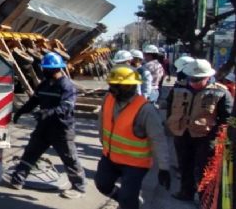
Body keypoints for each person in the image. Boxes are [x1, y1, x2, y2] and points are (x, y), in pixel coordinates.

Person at [8, 52, 86, 199]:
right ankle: (17, 179)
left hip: (61, 129)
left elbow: (66, 107)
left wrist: (47, 113)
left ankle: (78, 187)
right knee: (31, 152)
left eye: (46, 69)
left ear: (55, 69)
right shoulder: (44, 84)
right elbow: (34, 101)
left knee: (70, 158)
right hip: (43, 128)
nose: (44, 71)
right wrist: (20, 111)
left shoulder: (66, 86)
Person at [95, 65, 171, 209]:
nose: (115, 90)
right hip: (110, 156)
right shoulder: (108, 98)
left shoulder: (146, 109)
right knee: (102, 184)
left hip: (135, 164)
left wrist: (164, 167)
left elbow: (158, 139)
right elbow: (102, 121)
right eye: (114, 86)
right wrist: (103, 142)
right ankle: (128, 201)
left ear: (132, 86)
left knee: (127, 198)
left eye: (121, 86)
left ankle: (129, 203)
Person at [165, 59, 234, 201]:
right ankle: (186, 192)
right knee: (184, 165)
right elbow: (170, 108)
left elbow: (226, 118)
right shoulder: (178, 89)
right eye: (192, 78)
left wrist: (218, 137)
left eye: (198, 79)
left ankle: (205, 199)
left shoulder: (220, 93)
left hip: (206, 137)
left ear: (208, 77)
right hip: (182, 134)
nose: (194, 82)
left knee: (204, 170)